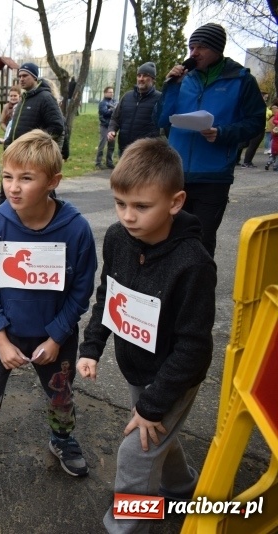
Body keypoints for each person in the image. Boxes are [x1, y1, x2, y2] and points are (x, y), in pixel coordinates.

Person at [0, 129, 97, 529]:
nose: (13, 187)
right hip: (0, 333)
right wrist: (2, 338)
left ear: (53, 182)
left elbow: (82, 289)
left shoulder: (76, 230)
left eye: (26, 178)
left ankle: (61, 438)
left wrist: (58, 336)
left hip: (54, 337)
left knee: (60, 396)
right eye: (8, 176)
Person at [76, 137, 216, 533]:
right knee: (154, 435)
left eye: (141, 206)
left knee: (137, 451)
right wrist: (92, 347)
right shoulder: (119, 239)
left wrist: (154, 404)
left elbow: (193, 348)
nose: (127, 216)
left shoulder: (193, 265)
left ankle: (126, 527)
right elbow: (110, 294)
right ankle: (183, 486)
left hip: (174, 376)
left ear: (175, 202)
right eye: (121, 204)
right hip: (137, 365)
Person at [156, 23, 264, 257]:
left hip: (213, 177)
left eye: (201, 47)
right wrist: (170, 86)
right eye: (191, 46)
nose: (193, 52)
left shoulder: (241, 79)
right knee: (169, 238)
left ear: (217, 49)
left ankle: (199, 292)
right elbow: (161, 119)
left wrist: (223, 133)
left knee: (201, 242)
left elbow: (256, 122)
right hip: (177, 173)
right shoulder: (184, 79)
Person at [3, 63, 64, 148]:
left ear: (35, 77)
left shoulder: (45, 97)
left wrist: (33, 143)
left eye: (25, 76)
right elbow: (16, 128)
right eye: (20, 76)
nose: (21, 79)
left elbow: (57, 127)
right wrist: (8, 144)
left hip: (32, 155)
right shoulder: (23, 98)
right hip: (17, 154)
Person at [107, 62, 161, 157]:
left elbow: (164, 127)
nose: (141, 79)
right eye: (139, 75)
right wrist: (112, 130)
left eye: (145, 76)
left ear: (153, 79)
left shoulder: (159, 99)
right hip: (124, 151)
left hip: (145, 154)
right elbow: (115, 118)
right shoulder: (127, 97)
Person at [96, 86, 116, 170]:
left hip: (112, 127)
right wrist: (112, 110)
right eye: (109, 92)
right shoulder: (102, 103)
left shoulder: (114, 102)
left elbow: (117, 111)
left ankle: (109, 162)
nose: (111, 93)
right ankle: (98, 162)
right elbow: (104, 112)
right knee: (102, 145)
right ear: (105, 93)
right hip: (104, 126)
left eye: (112, 92)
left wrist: (112, 109)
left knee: (111, 146)